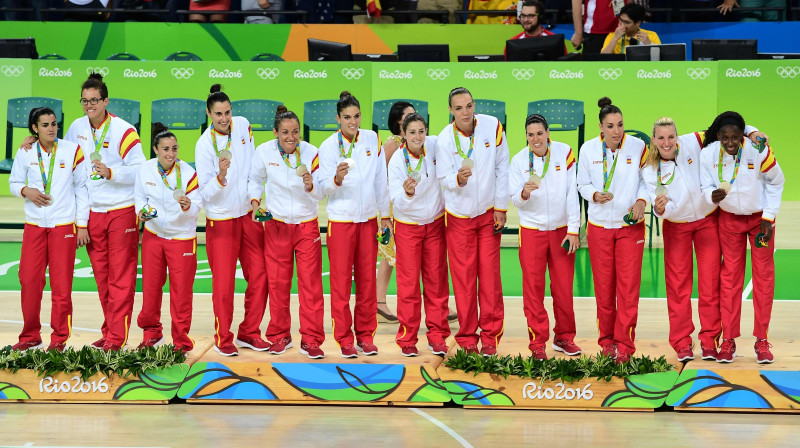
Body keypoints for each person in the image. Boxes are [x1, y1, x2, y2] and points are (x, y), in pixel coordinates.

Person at [644, 117, 767, 362]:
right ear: (654, 141)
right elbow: (661, 211)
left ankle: (710, 339)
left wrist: (752, 132)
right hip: (676, 226)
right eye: (661, 138)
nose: (667, 142)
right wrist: (659, 210)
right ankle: (681, 342)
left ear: (677, 136)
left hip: (707, 221)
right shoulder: (649, 170)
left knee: (711, 284)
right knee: (678, 287)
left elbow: (725, 125)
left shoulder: (693, 141)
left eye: (671, 137)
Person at [65, 73, 145, 352]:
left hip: (122, 210)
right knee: (102, 278)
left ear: (106, 101)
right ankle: (109, 330)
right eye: (84, 101)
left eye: (94, 100)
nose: (89, 106)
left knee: (121, 278)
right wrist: (32, 141)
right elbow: (65, 161)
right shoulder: (76, 128)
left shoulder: (124, 130)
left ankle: (116, 337)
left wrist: (111, 172)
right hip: (93, 213)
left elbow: (139, 171)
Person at [699, 111, 784, 364]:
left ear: (742, 135)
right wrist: (709, 197)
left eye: (736, 137)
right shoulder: (708, 154)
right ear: (718, 137)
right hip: (729, 220)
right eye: (725, 138)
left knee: (763, 277)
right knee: (730, 279)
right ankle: (729, 340)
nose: (731, 143)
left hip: (760, 222)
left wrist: (769, 217)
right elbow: (705, 187)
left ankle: (762, 339)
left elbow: (777, 182)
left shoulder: (758, 150)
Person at [434, 87, 509, 356]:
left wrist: (501, 207)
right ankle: (467, 338)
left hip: (488, 213)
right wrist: (458, 180)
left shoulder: (492, 126)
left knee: (490, 279)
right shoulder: (444, 139)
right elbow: (443, 178)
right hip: (459, 218)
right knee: (464, 281)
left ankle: (490, 338)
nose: (466, 112)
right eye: (459, 108)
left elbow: (503, 167)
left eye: (469, 106)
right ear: (451, 111)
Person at [195, 84, 268, 356]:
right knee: (223, 285)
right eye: (218, 114)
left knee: (260, 275)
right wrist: (220, 178)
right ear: (208, 113)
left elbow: (251, 169)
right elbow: (204, 194)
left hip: (247, 215)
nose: (224, 118)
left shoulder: (243, 126)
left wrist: (254, 200)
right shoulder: (204, 145)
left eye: (227, 112)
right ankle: (223, 337)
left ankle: (249, 332)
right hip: (221, 221)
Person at [248, 106, 326, 359]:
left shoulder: (312, 153)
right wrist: (255, 203)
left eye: (295, 132)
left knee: (311, 286)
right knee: (279, 284)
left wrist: (311, 186)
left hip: (306, 224)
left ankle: (312, 339)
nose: (290, 137)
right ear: (275, 132)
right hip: (276, 224)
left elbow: (321, 191)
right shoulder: (264, 152)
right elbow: (254, 180)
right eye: (284, 132)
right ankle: (279, 335)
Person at [9, 107, 90, 352]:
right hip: (34, 226)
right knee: (30, 281)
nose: (51, 129)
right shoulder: (25, 151)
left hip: (62, 226)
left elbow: (82, 188)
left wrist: (82, 224)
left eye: (54, 124)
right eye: (45, 125)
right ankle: (30, 336)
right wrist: (26, 191)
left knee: (61, 286)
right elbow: (14, 182)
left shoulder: (71, 150)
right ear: (34, 128)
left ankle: (59, 339)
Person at [319, 91, 391, 358]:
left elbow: (380, 181)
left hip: (369, 220)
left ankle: (366, 336)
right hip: (341, 222)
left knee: (366, 283)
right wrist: (336, 179)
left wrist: (385, 216)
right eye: (347, 117)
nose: (353, 122)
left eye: (357, 116)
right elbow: (321, 188)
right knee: (340, 284)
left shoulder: (372, 139)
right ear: (338, 118)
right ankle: (344, 338)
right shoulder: (327, 147)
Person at [576, 97, 647, 364]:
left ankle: (625, 345)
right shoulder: (588, 149)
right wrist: (594, 195)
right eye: (610, 126)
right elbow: (581, 183)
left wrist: (641, 201)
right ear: (601, 127)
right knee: (604, 290)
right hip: (599, 228)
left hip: (629, 227)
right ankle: (607, 342)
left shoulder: (638, 146)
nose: (617, 131)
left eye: (620, 125)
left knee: (628, 290)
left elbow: (647, 180)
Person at [509, 114, 581, 361]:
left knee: (563, 288)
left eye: (540, 133)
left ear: (548, 133)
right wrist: (524, 193)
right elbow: (515, 200)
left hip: (561, 230)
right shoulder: (519, 160)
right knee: (533, 290)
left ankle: (564, 337)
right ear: (526, 136)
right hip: (532, 231)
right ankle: (537, 343)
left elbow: (573, 193)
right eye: (530, 135)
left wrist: (573, 229)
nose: (535, 139)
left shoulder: (565, 153)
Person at [387, 113, 450, 357]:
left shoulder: (433, 146)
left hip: (434, 225)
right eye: (412, 132)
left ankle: (437, 336)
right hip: (408, 227)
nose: (417, 136)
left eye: (421, 131)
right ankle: (407, 338)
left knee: (436, 283)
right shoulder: (396, 162)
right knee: (408, 285)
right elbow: (396, 199)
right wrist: (408, 194)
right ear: (403, 134)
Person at [135, 123, 201, 353]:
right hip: (153, 236)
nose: (171, 154)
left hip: (182, 238)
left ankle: (181, 340)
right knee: (151, 289)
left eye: (174, 148)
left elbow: (198, 205)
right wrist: (142, 211)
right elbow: (139, 197)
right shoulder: (145, 170)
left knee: (181, 292)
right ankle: (152, 334)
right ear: (155, 149)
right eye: (165, 149)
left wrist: (189, 206)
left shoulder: (189, 173)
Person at [376, 101, 414, 324]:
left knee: (392, 256)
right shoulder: (393, 143)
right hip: (391, 206)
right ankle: (379, 301)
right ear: (398, 121)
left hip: (406, 204)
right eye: (409, 115)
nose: (414, 116)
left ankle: (379, 301)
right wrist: (383, 212)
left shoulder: (412, 142)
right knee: (389, 255)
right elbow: (381, 176)